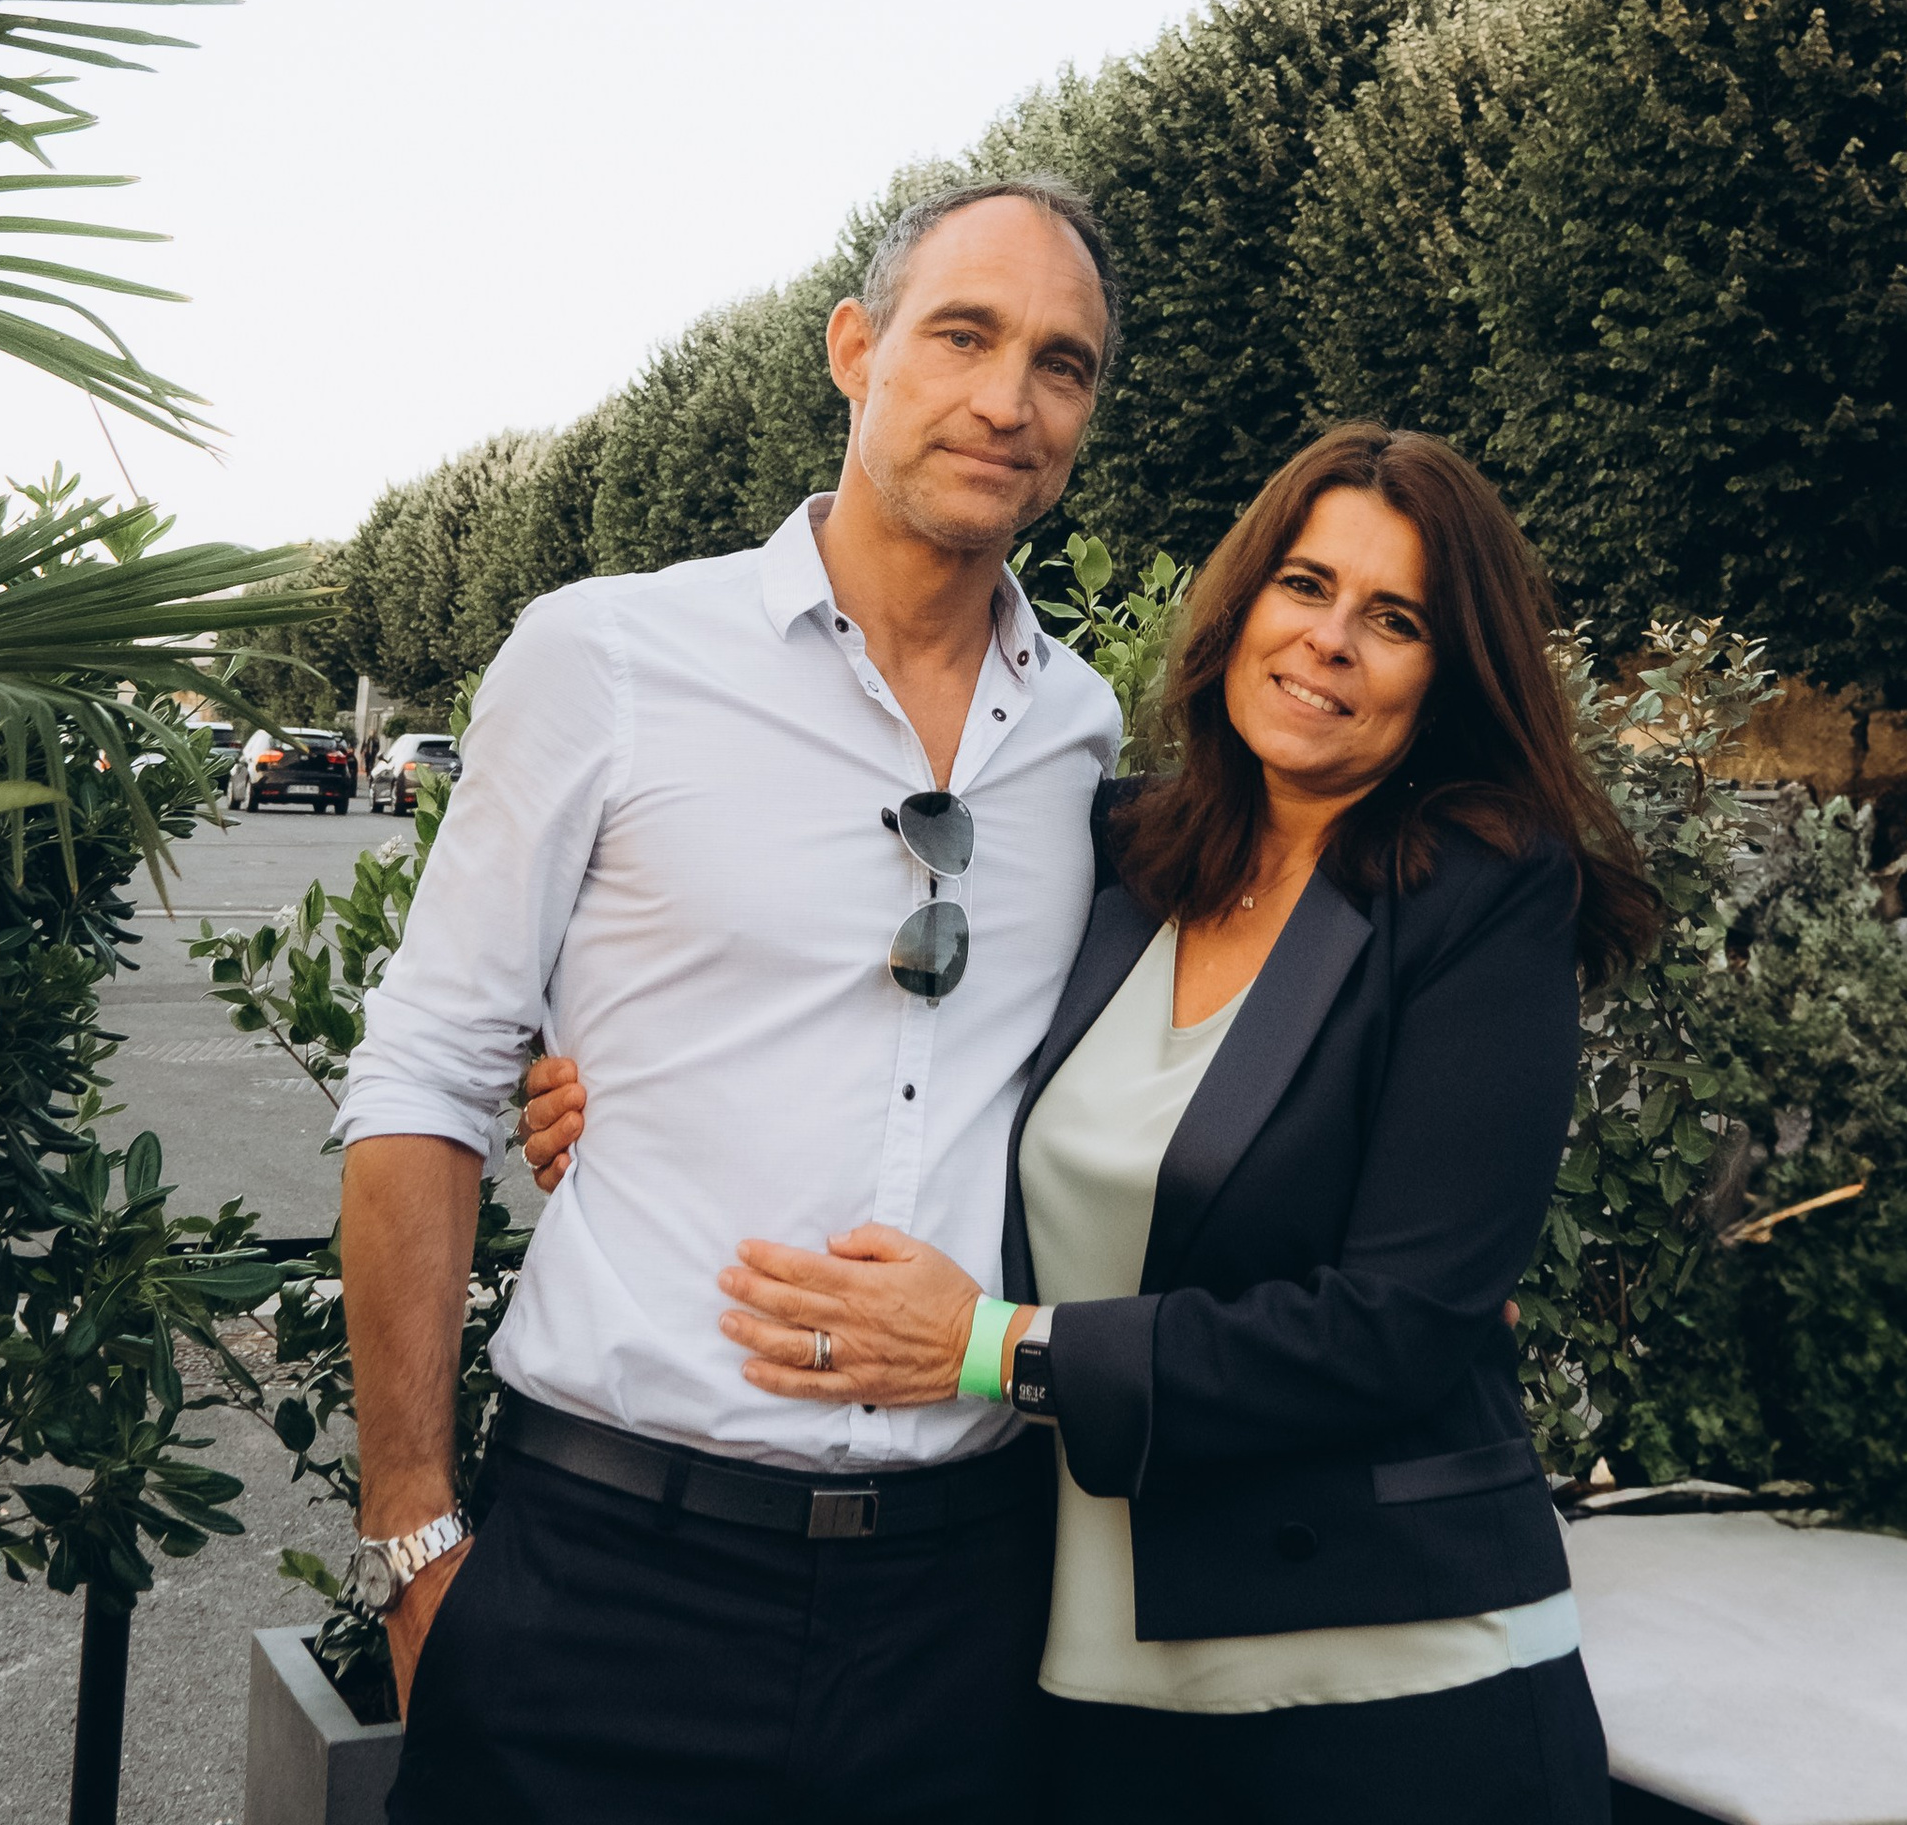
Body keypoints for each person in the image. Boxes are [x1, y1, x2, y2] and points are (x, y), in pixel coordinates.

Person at [689, 422, 1658, 1825]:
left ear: (1447, 677)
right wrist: (610, 1075)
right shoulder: (1123, 853)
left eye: (1394, 620)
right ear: (1243, 601)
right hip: (1094, 1681)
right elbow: (875, 1024)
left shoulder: (1482, 893)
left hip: (1393, 1687)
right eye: (1306, 585)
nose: (1331, 640)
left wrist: (989, 1348)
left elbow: (1399, 1324)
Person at [332, 176, 1124, 1825]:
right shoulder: (608, 656)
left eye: (1063, 363)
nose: (1008, 396)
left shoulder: (1084, 737)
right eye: (964, 333)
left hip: (963, 1618)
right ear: (855, 346)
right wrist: (413, 1532)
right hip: (612, 1584)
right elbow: (426, 1071)